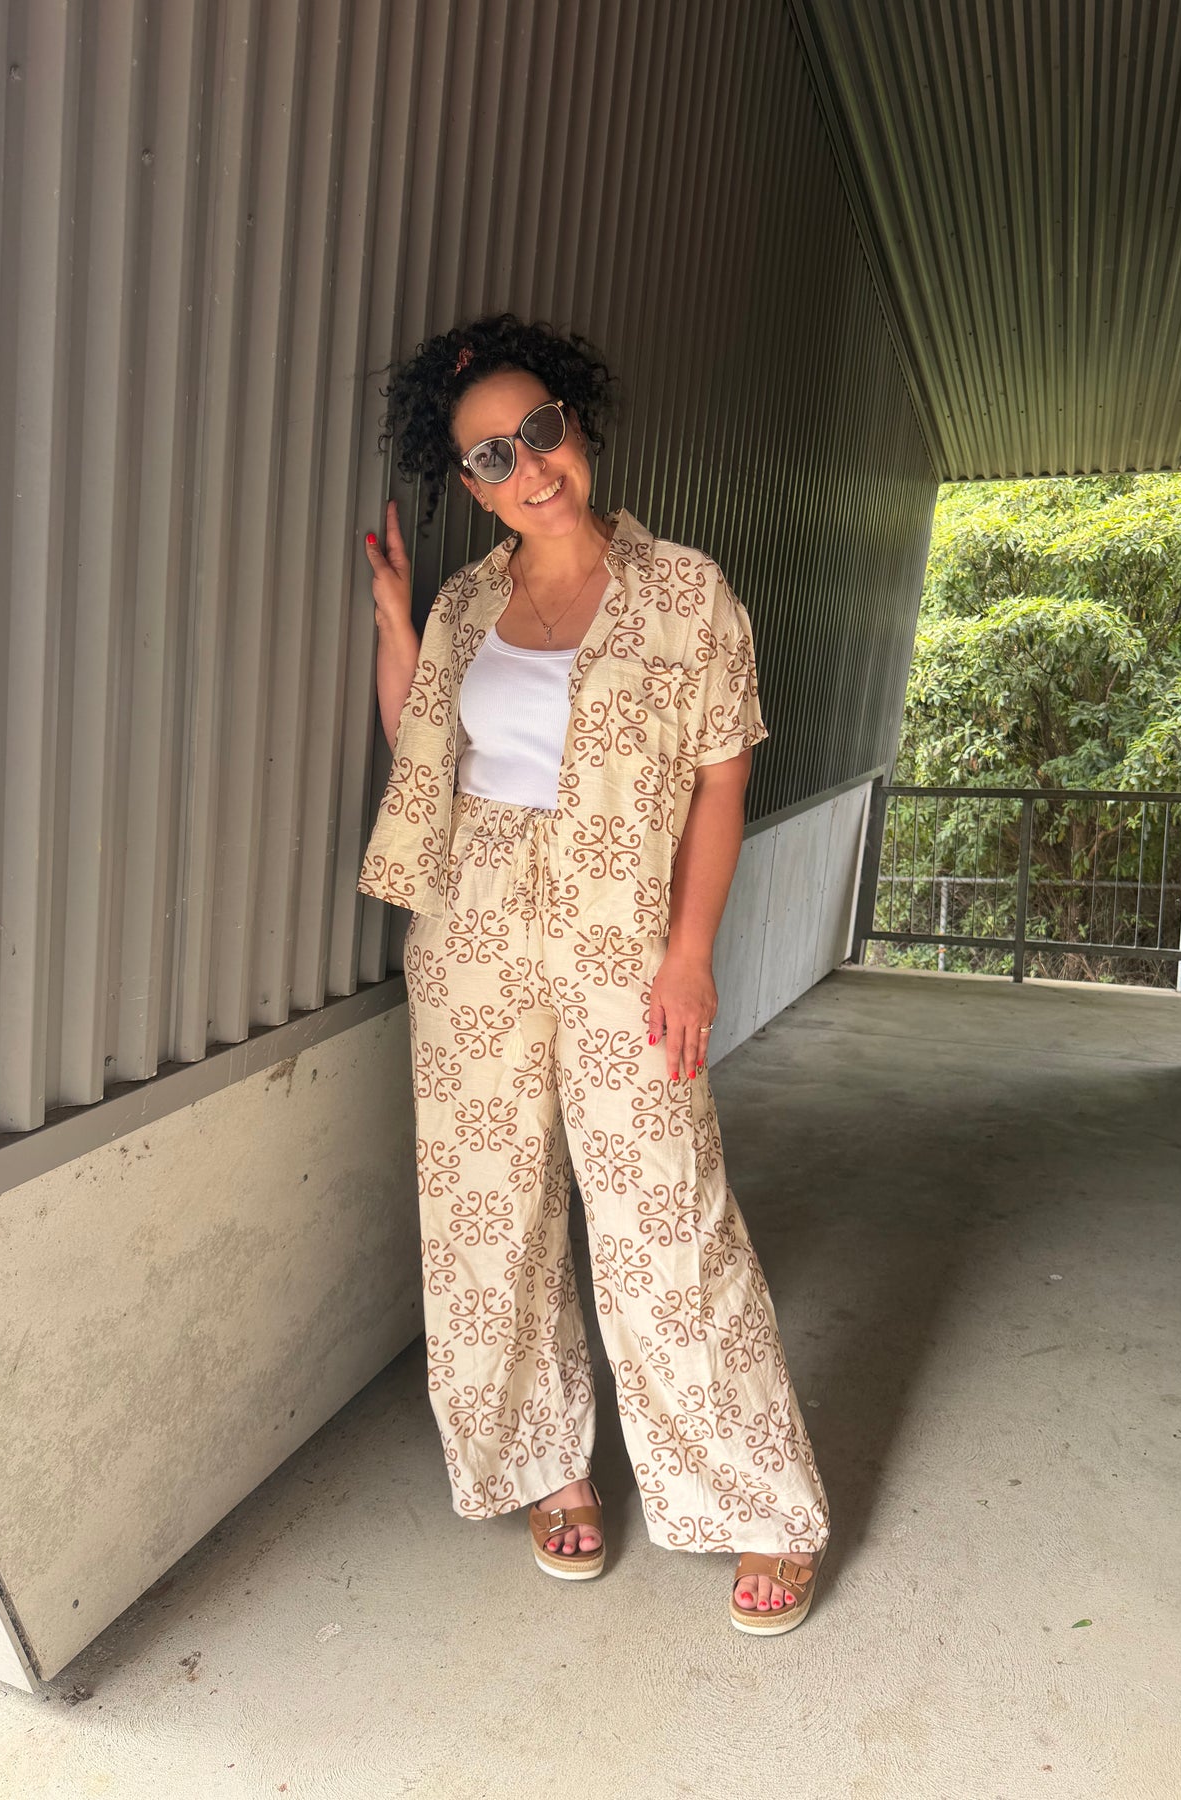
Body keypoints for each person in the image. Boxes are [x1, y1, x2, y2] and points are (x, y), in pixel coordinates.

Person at [356, 312, 830, 1634]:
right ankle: (544, 1468)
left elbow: (723, 780)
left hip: (627, 935)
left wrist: (692, 956)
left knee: (666, 1212)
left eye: (540, 430)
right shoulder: (464, 603)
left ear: (577, 420)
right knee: (487, 1216)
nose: (529, 466)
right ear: (469, 484)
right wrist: (396, 626)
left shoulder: (687, 591)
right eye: (491, 456)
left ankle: (757, 1501)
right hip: (473, 933)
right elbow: (425, 757)